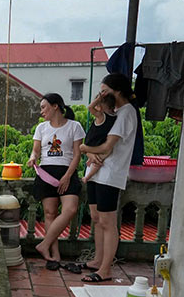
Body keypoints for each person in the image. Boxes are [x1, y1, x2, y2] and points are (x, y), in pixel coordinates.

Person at [79, 73, 140, 283]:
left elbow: (107, 146)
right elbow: (98, 139)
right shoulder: (113, 113)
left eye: (105, 90)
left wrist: (84, 148)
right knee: (96, 218)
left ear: (117, 91)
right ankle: (97, 260)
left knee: (107, 221)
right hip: (98, 172)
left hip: (111, 173)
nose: (102, 94)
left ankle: (105, 269)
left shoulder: (126, 113)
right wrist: (88, 152)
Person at [27, 93, 85, 271]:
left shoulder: (75, 126)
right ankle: (55, 255)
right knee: (50, 213)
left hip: (67, 172)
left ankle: (44, 244)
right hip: (46, 172)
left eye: (44, 107)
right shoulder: (41, 128)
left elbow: (77, 155)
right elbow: (36, 150)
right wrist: (32, 158)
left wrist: (67, 176)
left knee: (70, 209)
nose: (41, 111)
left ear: (55, 106)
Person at [82, 92, 118, 183]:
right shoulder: (104, 116)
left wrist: (98, 100)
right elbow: (90, 107)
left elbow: (90, 107)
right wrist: (98, 100)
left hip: (96, 142)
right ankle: (88, 175)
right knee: (98, 160)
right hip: (94, 143)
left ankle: (88, 171)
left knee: (98, 160)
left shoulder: (106, 116)